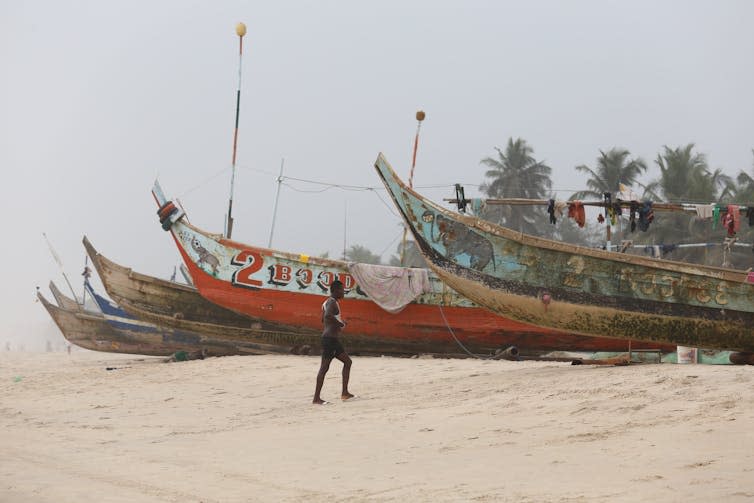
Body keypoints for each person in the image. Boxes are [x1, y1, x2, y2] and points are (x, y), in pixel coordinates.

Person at [313, 280, 354, 404]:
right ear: (335, 290)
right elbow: (327, 317)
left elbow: (323, 319)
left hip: (330, 339)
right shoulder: (332, 302)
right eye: (342, 289)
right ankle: (316, 399)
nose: (343, 292)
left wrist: (338, 323)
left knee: (347, 362)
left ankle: (345, 393)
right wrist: (341, 323)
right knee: (324, 368)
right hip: (330, 340)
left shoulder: (326, 302)